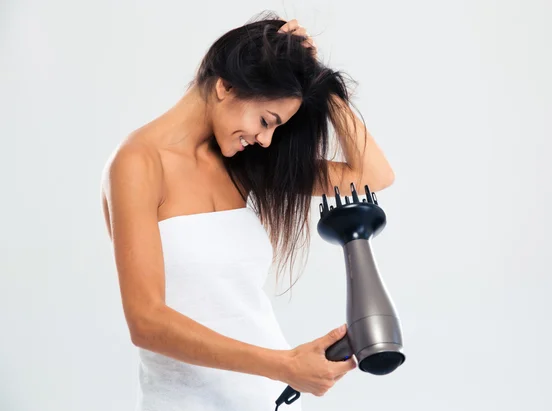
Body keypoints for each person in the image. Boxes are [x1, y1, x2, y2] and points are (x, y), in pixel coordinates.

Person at [100, 12, 395, 411]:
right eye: (265, 120)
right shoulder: (137, 163)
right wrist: (284, 365)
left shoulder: (243, 166)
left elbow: (371, 175)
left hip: (271, 401)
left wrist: (318, 80)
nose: (265, 138)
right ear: (225, 86)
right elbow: (147, 322)